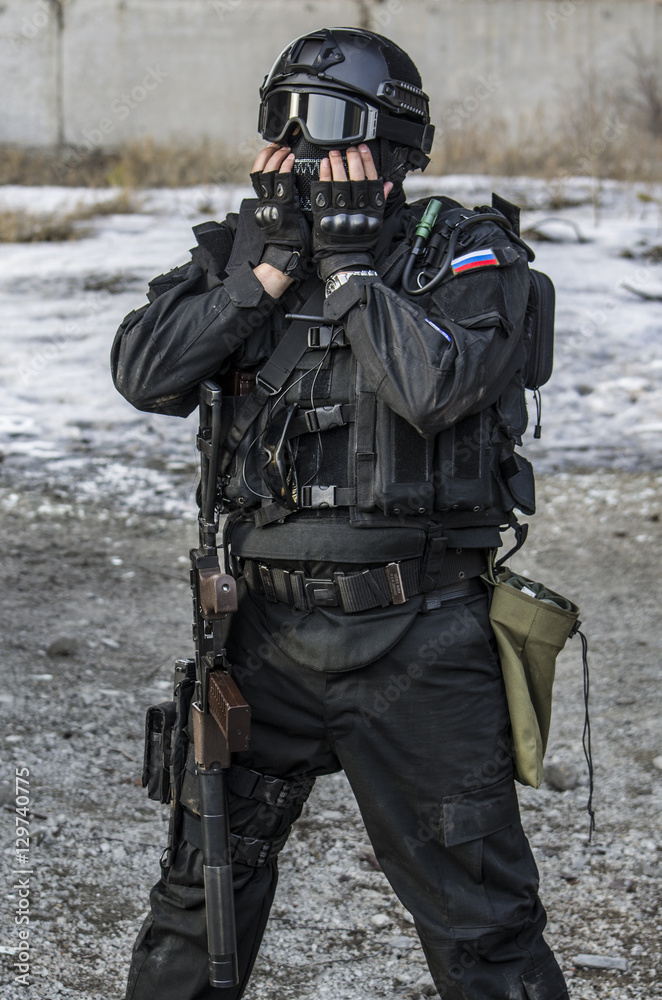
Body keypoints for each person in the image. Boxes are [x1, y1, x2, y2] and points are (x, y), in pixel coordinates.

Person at [112, 26, 569, 1000]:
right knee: (199, 907)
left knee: (482, 925)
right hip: (262, 635)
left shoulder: (463, 252)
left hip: (418, 638)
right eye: (284, 120)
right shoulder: (245, 249)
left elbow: (435, 384)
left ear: (396, 144)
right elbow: (146, 372)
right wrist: (266, 271)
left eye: (330, 124)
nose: (305, 148)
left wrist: (356, 273)